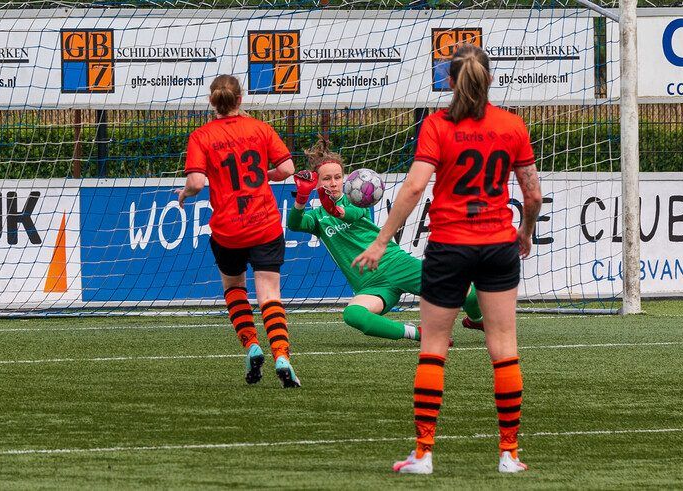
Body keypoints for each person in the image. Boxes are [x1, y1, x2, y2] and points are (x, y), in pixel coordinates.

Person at [353, 44, 543, 474]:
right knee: (504, 347)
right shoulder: (512, 125)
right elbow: (532, 193)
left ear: (450, 82)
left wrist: (382, 241)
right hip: (497, 245)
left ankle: (423, 454)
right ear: (490, 80)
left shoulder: (437, 125)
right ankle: (509, 455)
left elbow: (415, 187)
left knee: (435, 346)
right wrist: (524, 232)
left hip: (449, 245)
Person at [287, 139, 484, 343]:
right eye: (327, 178)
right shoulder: (317, 217)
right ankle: (418, 334)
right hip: (371, 285)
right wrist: (301, 197)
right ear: (317, 182)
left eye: (338, 177)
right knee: (353, 315)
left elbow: (351, 214)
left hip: (395, 264)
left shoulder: (357, 198)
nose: (334, 182)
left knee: (468, 292)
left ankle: (476, 320)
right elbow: (295, 224)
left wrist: (335, 210)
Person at [176, 74, 301, 388]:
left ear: (212, 102)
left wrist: (184, 194)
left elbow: (196, 183)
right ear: (241, 99)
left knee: (235, 289)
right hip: (264, 223)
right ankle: (282, 355)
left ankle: (251, 345)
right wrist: (263, 174)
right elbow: (287, 169)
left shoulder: (201, 136)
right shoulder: (260, 128)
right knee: (270, 294)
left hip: (228, 229)